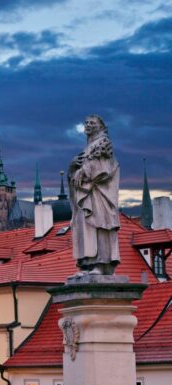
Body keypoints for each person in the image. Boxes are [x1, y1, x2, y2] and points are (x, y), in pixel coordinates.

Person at [68, 114, 120, 275]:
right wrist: (72, 167)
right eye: (86, 123)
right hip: (87, 193)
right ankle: (88, 264)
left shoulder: (103, 142)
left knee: (100, 226)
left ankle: (101, 264)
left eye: (92, 122)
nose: (88, 125)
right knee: (86, 228)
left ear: (101, 126)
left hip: (99, 193)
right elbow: (79, 171)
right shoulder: (89, 146)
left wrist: (83, 172)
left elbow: (103, 168)